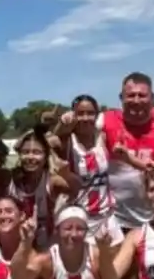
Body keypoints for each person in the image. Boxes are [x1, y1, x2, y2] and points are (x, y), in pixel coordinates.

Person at [97, 72, 154, 234]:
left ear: (152, 97)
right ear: (121, 98)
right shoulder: (105, 121)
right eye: (131, 95)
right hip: (118, 220)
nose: (136, 100)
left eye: (142, 95)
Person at [51, 95, 123, 244]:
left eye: (90, 113)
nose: (85, 118)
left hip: (106, 216)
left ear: (97, 115)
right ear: (73, 115)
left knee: (116, 263)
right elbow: (50, 141)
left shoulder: (102, 137)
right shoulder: (67, 141)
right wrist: (62, 124)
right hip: (79, 218)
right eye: (80, 113)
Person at [8, 125, 74, 251]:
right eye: (26, 152)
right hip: (17, 248)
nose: (30, 157)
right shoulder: (11, 178)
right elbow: (17, 146)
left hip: (46, 249)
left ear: (46, 156)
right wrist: (32, 131)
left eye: (37, 152)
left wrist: (66, 172)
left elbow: (77, 189)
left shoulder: (53, 181)